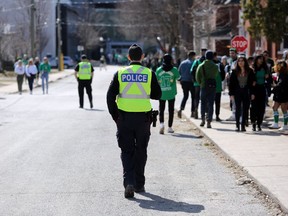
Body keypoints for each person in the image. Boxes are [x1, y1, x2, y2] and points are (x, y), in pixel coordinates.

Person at [106, 44, 161, 198]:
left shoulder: (120, 73)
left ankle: (129, 182)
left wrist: (115, 116)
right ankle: (139, 184)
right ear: (142, 57)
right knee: (141, 150)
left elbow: (110, 97)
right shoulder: (149, 73)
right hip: (143, 119)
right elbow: (157, 94)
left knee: (127, 151)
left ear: (128, 57)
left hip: (124, 118)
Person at [229, 56, 255, 132]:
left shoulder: (250, 71)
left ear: (245, 62)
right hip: (237, 92)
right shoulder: (234, 71)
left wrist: (252, 93)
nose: (241, 62)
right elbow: (231, 84)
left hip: (246, 91)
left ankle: (243, 125)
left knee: (245, 109)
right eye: (239, 61)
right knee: (238, 109)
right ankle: (237, 125)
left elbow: (253, 83)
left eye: (242, 61)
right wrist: (231, 94)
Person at [156, 54, 180, 134]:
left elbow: (156, 80)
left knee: (161, 109)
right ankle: (170, 127)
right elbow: (179, 78)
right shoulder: (174, 70)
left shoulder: (159, 70)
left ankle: (162, 124)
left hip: (161, 93)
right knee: (171, 110)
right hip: (171, 93)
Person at [196, 50, 218, 128]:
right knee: (211, 104)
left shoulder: (201, 66)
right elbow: (215, 75)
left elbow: (197, 77)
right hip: (212, 87)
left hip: (203, 86)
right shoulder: (215, 66)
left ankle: (202, 119)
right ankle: (209, 121)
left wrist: (201, 83)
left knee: (203, 103)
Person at [250, 54, 269, 131]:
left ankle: (259, 124)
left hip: (262, 88)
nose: (261, 60)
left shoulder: (265, 68)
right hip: (254, 89)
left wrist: (267, 77)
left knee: (261, 108)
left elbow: (268, 79)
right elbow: (250, 80)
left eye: (262, 59)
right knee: (254, 107)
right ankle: (253, 123)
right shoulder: (252, 69)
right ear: (256, 59)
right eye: (259, 59)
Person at [269, 60, 288, 131]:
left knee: (284, 110)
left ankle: (285, 125)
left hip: (283, 94)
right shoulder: (279, 74)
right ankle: (276, 124)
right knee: (275, 107)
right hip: (279, 94)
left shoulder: (284, 74)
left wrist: (273, 88)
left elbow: (281, 84)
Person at [177, 51, 196, 118]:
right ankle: (193, 112)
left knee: (185, 96)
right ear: (193, 56)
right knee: (193, 97)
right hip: (191, 82)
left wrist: (180, 79)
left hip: (184, 82)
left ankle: (181, 109)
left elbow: (178, 72)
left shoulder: (182, 63)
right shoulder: (193, 63)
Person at [190, 48, 207, 119]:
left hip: (196, 83)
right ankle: (205, 112)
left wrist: (194, 80)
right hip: (205, 83)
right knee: (205, 98)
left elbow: (191, 71)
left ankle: (196, 109)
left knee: (196, 98)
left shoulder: (196, 62)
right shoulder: (207, 61)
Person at [225, 48, 238, 121]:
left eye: (233, 53)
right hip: (231, 83)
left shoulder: (238, 61)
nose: (231, 55)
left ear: (236, 53)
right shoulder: (230, 61)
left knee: (236, 99)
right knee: (232, 99)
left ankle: (237, 114)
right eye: (230, 53)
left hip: (236, 83)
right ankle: (234, 114)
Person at [213, 52, 225, 121]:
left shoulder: (208, 64)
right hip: (217, 85)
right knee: (217, 102)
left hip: (211, 86)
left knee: (210, 102)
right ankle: (217, 115)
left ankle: (210, 115)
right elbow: (223, 75)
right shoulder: (220, 64)